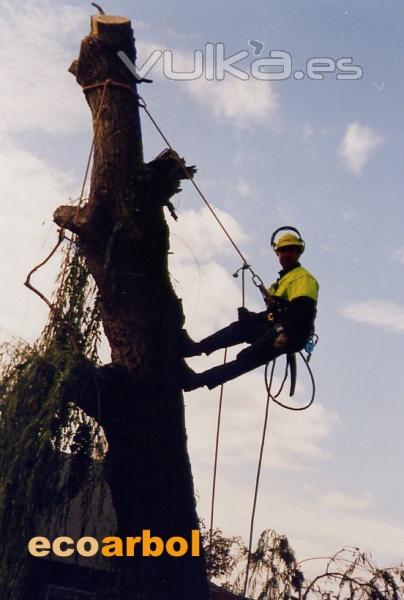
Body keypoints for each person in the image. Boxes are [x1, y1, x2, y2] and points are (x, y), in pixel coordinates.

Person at [181, 229, 319, 391]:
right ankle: (196, 348)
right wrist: (252, 318)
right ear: (277, 254)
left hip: (292, 331)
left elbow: (304, 311)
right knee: (241, 328)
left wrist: (286, 334)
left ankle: (196, 381)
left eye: (290, 250)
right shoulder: (284, 279)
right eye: (282, 250)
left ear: (298, 253)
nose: (286, 254)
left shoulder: (303, 278)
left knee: (248, 357)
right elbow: (277, 313)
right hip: (278, 326)